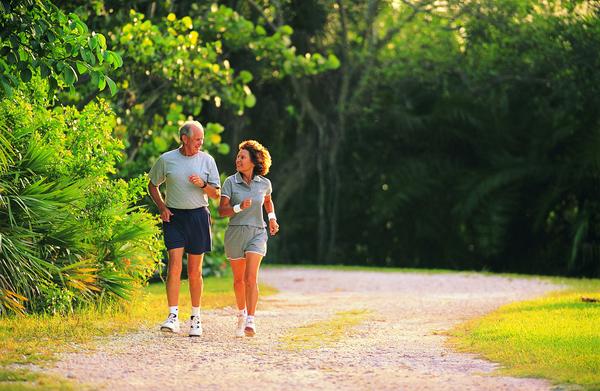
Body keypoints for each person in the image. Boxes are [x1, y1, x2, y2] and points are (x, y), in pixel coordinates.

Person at [148, 120, 221, 337]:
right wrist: (162, 207)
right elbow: (152, 184)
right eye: (197, 139)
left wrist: (202, 185)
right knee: (174, 266)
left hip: (198, 215)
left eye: (202, 139)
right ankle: (173, 317)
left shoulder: (207, 160)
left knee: (194, 271)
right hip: (175, 216)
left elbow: (216, 193)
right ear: (184, 139)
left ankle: (196, 318)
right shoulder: (167, 159)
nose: (200, 143)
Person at [218, 140, 279, 337]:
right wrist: (238, 207)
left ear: (253, 161)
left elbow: (268, 202)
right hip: (235, 233)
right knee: (238, 280)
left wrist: (271, 219)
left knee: (250, 278)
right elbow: (221, 211)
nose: (238, 160)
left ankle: (251, 320)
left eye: (242, 157)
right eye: (237, 157)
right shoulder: (230, 182)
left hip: (257, 232)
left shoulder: (264, 184)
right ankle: (241, 314)